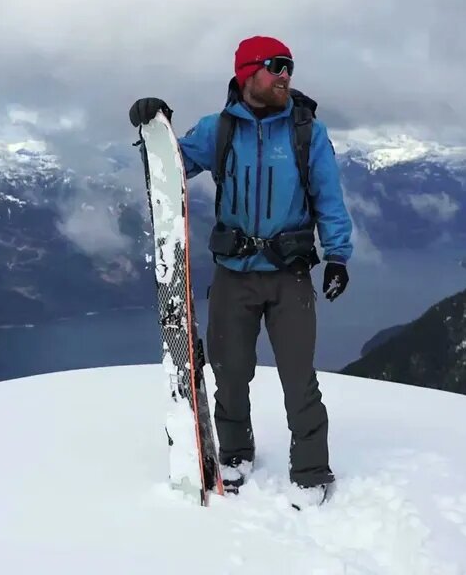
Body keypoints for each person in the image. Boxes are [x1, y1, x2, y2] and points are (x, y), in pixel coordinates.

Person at [128, 35, 353, 508]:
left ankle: (311, 471)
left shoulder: (307, 132)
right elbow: (169, 169)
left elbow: (329, 197)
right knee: (230, 372)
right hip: (234, 273)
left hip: (289, 274)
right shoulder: (219, 131)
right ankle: (234, 454)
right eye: (276, 66)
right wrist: (154, 127)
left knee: (298, 376)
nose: (286, 75)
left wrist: (337, 256)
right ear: (249, 72)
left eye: (290, 66)